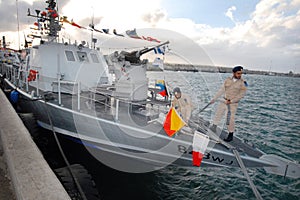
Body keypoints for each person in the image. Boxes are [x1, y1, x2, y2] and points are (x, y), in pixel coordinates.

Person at [210, 66, 248, 142]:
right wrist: (214, 98)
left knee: (230, 119)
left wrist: (232, 101)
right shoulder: (228, 80)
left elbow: (241, 95)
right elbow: (222, 90)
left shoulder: (243, 83)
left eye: (241, 73)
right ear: (233, 73)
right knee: (218, 114)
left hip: (232, 104)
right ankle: (214, 127)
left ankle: (230, 134)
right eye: (238, 73)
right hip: (224, 101)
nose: (240, 75)